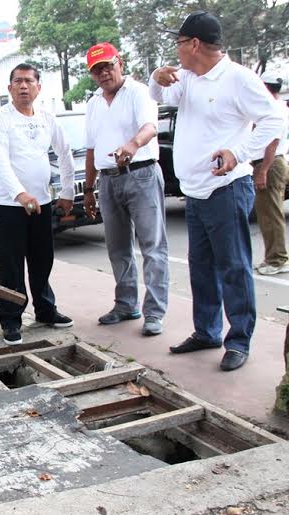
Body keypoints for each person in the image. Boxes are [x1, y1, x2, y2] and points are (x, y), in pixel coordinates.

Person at [149, 11, 283, 371]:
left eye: (179, 43)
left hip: (226, 188)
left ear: (194, 44)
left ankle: (239, 340)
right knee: (201, 267)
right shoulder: (188, 78)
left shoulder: (237, 78)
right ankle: (207, 331)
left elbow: (274, 119)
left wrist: (239, 152)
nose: (176, 51)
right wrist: (156, 76)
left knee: (233, 267)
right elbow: (159, 94)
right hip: (195, 190)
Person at [82, 43, 170, 337]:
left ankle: (154, 312)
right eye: (97, 69)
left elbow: (150, 127)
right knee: (118, 247)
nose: (104, 73)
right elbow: (92, 148)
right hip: (108, 180)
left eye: (108, 66)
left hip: (141, 173)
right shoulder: (94, 103)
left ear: (119, 63)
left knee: (152, 246)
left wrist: (132, 145)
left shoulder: (138, 92)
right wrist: (89, 189)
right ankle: (126, 304)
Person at [0, 63, 75, 345]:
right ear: (9, 88)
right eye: (18, 81)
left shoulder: (47, 118)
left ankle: (46, 310)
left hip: (42, 202)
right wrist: (20, 194)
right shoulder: (0, 119)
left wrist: (68, 192)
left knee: (42, 259)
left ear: (38, 87)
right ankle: (11, 320)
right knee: (11, 265)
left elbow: (64, 152)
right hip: (9, 205)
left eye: (29, 81)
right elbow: (0, 161)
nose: (23, 86)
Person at [253, 71, 289, 276]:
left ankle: (278, 259)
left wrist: (263, 170)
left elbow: (272, 142)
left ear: (265, 87)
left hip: (270, 163)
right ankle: (272, 257)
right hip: (274, 162)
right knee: (267, 213)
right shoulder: (281, 107)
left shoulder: (274, 109)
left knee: (271, 214)